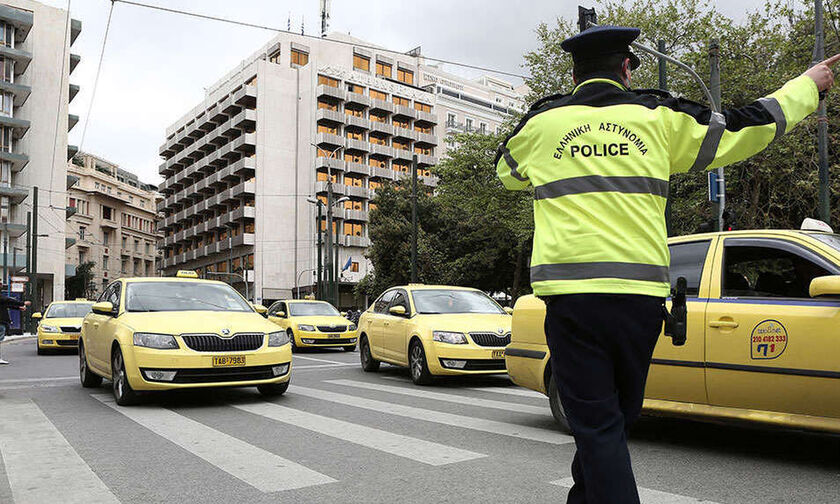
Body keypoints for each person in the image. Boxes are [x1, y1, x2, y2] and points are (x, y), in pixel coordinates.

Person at [496, 24, 839, 504]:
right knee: (611, 420)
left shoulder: (540, 125)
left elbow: (506, 172)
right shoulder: (658, 118)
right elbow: (744, 127)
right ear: (627, 68)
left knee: (598, 424)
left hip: (573, 304)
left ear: (573, 73)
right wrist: (806, 87)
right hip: (638, 303)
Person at [0, 293, 30, 364]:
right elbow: (7, 300)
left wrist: (18, 308)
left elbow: (6, 304)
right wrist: (22, 303)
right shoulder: (2, 297)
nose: (1, 284)